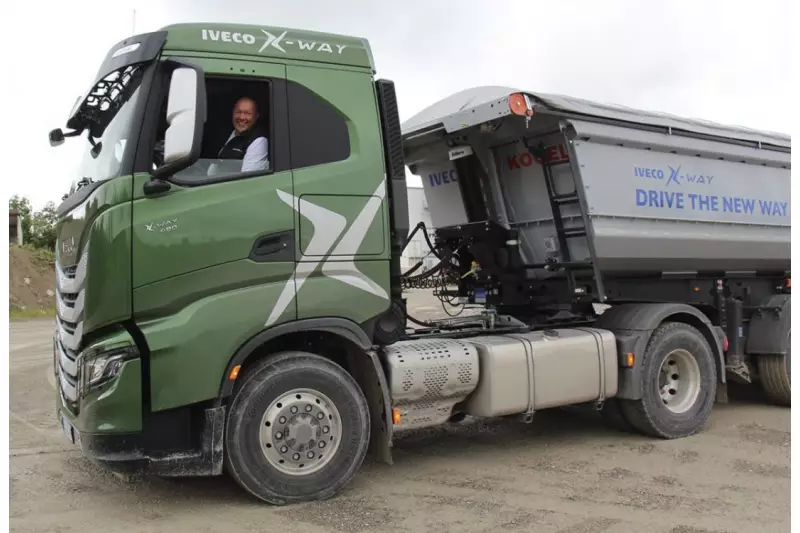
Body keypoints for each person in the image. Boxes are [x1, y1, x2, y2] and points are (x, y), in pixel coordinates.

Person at [217, 96, 269, 172]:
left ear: (256, 117)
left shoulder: (258, 140)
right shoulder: (222, 134)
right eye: (238, 112)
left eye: (247, 113)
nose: (242, 117)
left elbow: (247, 179)